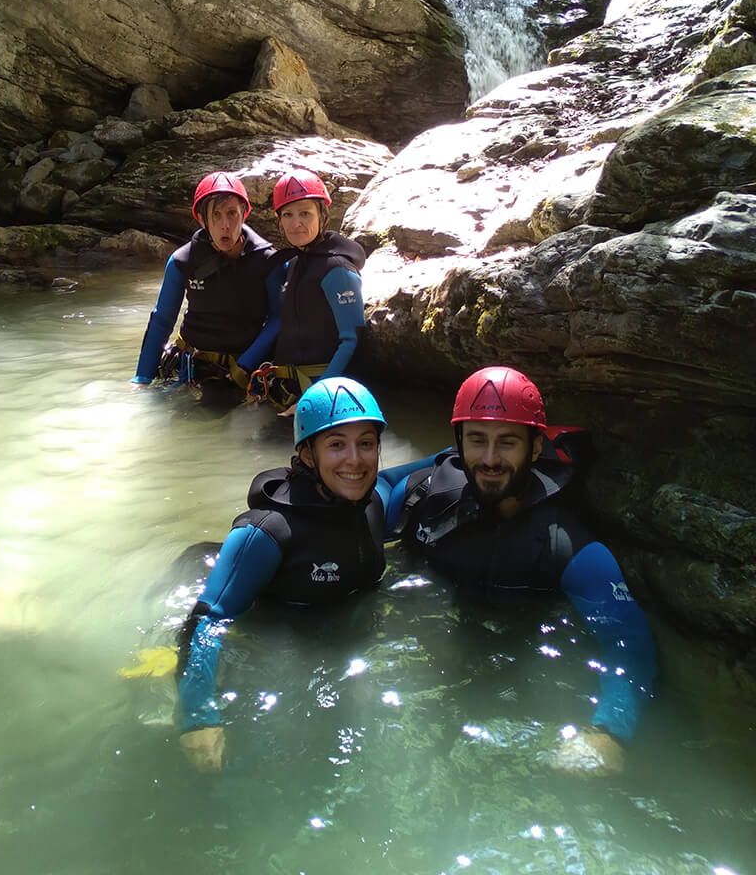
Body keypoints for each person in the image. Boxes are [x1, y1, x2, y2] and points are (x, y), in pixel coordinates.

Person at [382, 365, 658, 774]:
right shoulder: (425, 493)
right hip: (431, 666)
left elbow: (630, 646)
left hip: (520, 676)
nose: (490, 459)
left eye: (507, 443)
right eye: (477, 440)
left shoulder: (565, 545)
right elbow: (378, 489)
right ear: (458, 444)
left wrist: (608, 732)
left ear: (533, 449)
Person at [175, 377, 423, 772]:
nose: (355, 460)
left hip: (334, 645)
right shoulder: (266, 532)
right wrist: (198, 716)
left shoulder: (374, 503)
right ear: (308, 455)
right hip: (268, 639)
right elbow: (208, 622)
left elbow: (424, 470)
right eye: (336, 444)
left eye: (366, 443)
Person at [131, 171, 283, 395]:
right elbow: (162, 320)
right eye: (216, 215)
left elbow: (279, 318)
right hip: (193, 366)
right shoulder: (182, 261)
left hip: (244, 369)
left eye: (232, 214)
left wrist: (245, 365)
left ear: (244, 214)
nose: (225, 225)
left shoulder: (268, 261)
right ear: (202, 220)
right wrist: (142, 378)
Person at [248, 169, 366, 412]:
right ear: (279, 220)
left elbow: (352, 341)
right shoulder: (294, 263)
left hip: (318, 394)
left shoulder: (338, 269)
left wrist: (313, 401)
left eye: (305, 214)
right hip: (287, 388)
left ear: (322, 215)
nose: (296, 223)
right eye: (288, 215)